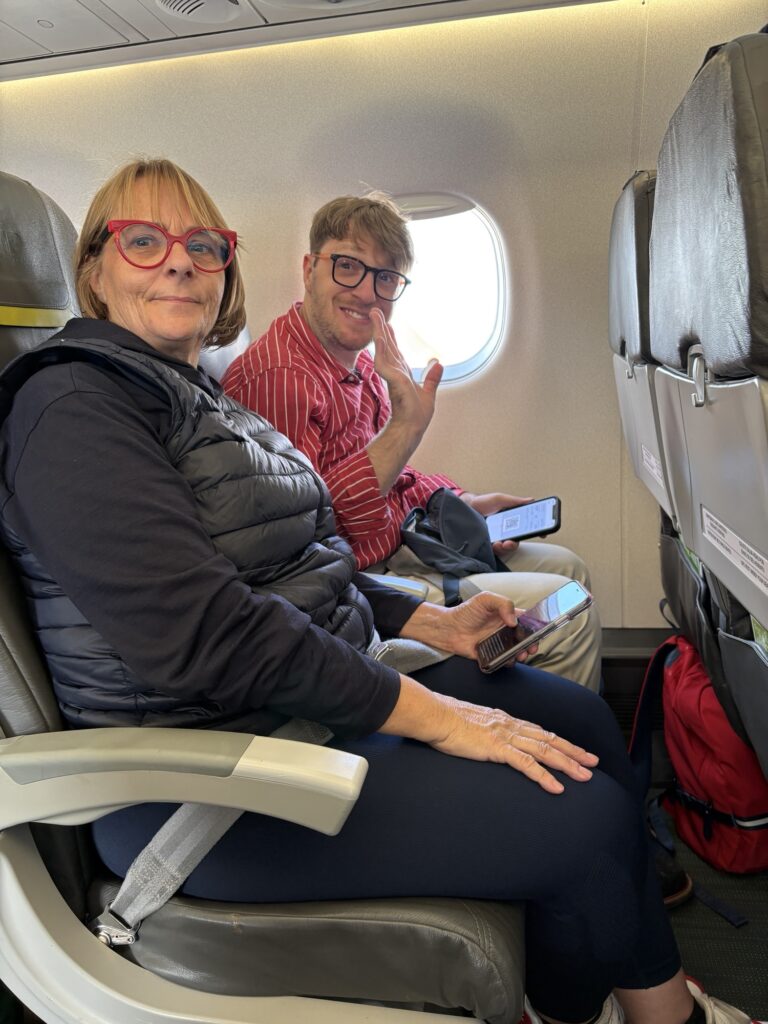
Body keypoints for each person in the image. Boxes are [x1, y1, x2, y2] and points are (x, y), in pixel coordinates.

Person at [0, 158, 752, 1024]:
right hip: (209, 774)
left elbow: (299, 561)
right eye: (143, 241)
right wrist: (435, 716)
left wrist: (428, 618)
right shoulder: (72, 406)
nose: (179, 261)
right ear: (92, 270)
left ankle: (613, 989)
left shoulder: (191, 392)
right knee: (583, 820)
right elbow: (202, 633)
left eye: (203, 245)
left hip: (295, 710)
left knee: (582, 724)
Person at [221, 194, 602, 691]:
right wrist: (406, 427)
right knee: (568, 616)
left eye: (385, 278)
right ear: (310, 269)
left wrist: (464, 504)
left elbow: (395, 478)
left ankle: (532, 712)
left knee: (570, 569)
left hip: (399, 545)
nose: (367, 293)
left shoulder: (362, 364)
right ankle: (548, 724)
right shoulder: (280, 380)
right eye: (348, 266)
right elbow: (308, 536)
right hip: (363, 583)